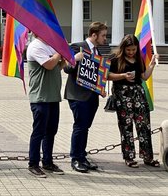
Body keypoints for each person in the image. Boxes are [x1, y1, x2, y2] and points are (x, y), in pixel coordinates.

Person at [108, 34, 160, 168]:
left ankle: (148, 157)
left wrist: (152, 64)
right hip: (122, 96)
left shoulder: (138, 60)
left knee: (144, 125)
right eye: (128, 50)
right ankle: (129, 157)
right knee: (126, 127)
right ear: (123, 48)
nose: (131, 52)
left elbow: (144, 77)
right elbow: (107, 76)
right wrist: (123, 75)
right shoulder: (115, 59)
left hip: (138, 95)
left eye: (134, 49)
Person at [63, 21, 108, 173]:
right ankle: (75, 158)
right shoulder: (77, 47)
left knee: (85, 127)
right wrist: (76, 58)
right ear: (94, 34)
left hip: (92, 96)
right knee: (80, 126)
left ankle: (82, 157)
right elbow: (67, 69)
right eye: (103, 35)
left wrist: (101, 89)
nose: (105, 39)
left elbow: (96, 74)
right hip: (77, 96)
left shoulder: (97, 52)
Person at [25, 34, 65, 178]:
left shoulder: (50, 46)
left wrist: (63, 60)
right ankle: (33, 164)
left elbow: (56, 67)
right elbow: (48, 65)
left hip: (53, 96)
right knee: (39, 132)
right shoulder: (35, 46)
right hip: (40, 97)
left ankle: (47, 161)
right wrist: (60, 52)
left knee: (51, 131)